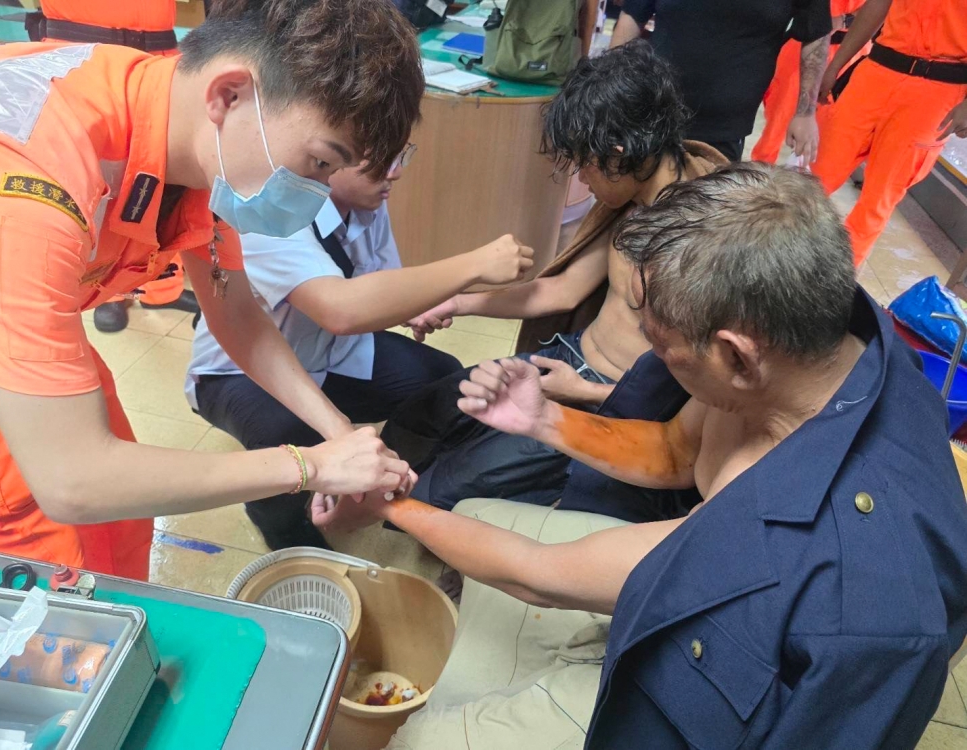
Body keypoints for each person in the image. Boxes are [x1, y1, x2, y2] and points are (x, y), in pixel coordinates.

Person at [315, 163, 967, 748]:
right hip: (698, 578)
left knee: (419, 740)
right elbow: (678, 449)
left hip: (709, 694)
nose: (652, 361)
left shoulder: (856, 598)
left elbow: (536, 573)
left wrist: (392, 504)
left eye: (665, 347)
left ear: (737, 355)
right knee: (485, 509)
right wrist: (545, 418)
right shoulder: (816, 335)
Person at [0, 0, 422, 580]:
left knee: (119, 523)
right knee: (38, 560)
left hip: (6, 307)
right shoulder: (28, 183)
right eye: (317, 163)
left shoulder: (199, 135)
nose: (317, 191)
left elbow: (235, 311)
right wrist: (309, 466)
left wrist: (341, 436)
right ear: (230, 94)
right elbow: (71, 479)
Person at [385, 42, 722, 521]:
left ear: (619, 153)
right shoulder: (637, 202)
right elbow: (560, 291)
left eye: (584, 163)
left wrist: (585, 393)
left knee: (447, 488)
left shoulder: (706, 244)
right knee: (426, 413)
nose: (581, 178)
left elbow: (697, 405)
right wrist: (457, 302)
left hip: (612, 401)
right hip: (566, 358)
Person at [187, 149, 534, 550]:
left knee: (443, 379)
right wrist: (473, 264)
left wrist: (420, 306)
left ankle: (393, 484)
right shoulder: (270, 216)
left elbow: (380, 285)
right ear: (332, 156)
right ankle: (286, 533)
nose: (397, 172)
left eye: (403, 154)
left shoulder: (366, 205)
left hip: (331, 353)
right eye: (385, 157)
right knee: (287, 436)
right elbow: (341, 309)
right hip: (237, 371)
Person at [26, 0, 202, 333]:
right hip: (79, 54)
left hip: (160, 59)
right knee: (96, 191)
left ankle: (161, 289)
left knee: (167, 189)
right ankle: (108, 295)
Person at [811, 0, 967, 267]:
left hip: (937, 93)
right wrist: (836, 64)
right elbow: (878, 4)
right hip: (875, 74)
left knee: (877, 202)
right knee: (814, 178)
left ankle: (832, 282)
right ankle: (776, 256)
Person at [610, 0, 832, 163]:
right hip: (647, 112)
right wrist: (610, 86)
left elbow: (816, 33)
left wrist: (806, 112)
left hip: (723, 131)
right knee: (630, 216)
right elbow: (632, 15)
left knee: (700, 219)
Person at [751, 0, 867, 165]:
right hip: (804, 45)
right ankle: (759, 172)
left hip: (849, 52)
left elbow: (883, 10)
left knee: (830, 133)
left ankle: (807, 183)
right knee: (777, 121)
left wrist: (842, 20)